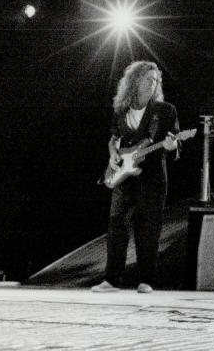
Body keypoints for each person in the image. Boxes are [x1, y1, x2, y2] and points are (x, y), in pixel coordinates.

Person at [92, 61, 180, 293]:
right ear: (135, 81)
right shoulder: (121, 110)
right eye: (148, 80)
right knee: (116, 225)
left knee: (148, 228)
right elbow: (113, 138)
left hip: (152, 178)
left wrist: (172, 145)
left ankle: (147, 280)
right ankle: (111, 280)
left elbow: (175, 138)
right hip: (124, 176)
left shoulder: (165, 111)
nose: (153, 84)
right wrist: (112, 157)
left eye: (156, 81)